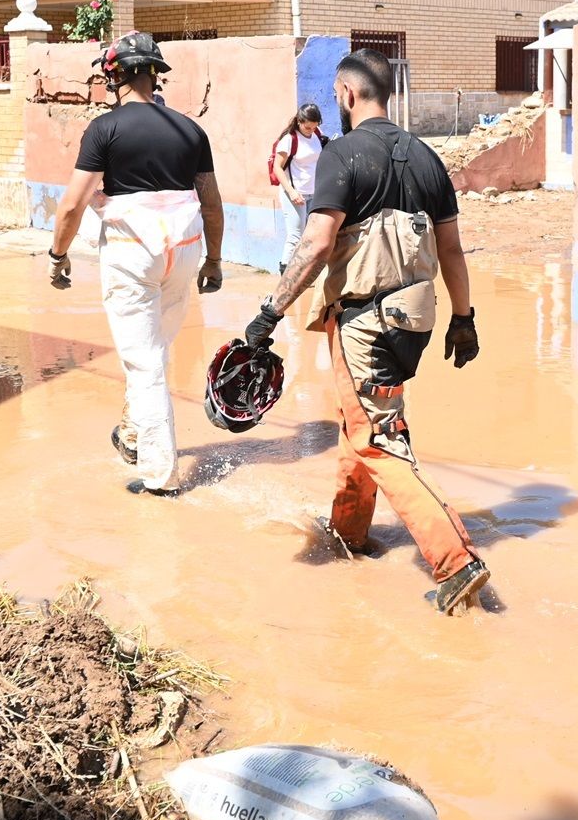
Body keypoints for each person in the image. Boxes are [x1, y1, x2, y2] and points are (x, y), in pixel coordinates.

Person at [243, 49, 490, 615]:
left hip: (364, 324)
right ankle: (349, 533)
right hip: (416, 321)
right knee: (361, 425)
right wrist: (465, 318)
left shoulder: (341, 156)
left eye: (336, 96)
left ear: (347, 94)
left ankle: (456, 561)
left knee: (379, 440)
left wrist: (269, 313)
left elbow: (316, 244)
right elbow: (450, 249)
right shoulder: (428, 159)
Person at [47, 31, 224, 494]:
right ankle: (132, 429)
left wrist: (58, 255)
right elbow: (212, 203)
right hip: (184, 251)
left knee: (144, 364)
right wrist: (216, 262)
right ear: (153, 73)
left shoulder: (105, 130)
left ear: (116, 75)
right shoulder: (191, 130)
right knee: (154, 352)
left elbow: (71, 206)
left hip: (133, 253)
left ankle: (159, 475)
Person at [270, 103, 327, 272]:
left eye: (314, 126)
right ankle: (285, 275)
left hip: (314, 192)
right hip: (295, 194)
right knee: (295, 236)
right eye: (307, 127)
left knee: (310, 236)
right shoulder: (289, 140)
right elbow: (277, 167)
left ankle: (303, 273)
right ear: (299, 121)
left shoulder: (317, 134)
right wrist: (292, 192)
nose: (310, 130)